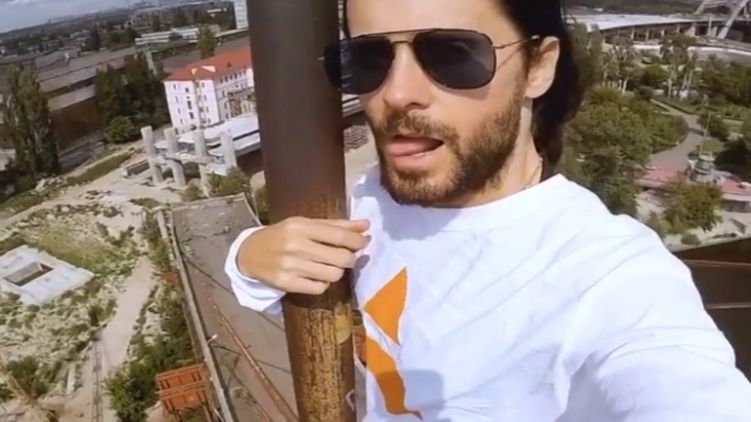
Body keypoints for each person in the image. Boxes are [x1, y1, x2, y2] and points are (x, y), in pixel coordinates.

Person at [225, 0, 751, 420]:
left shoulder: (607, 274)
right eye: (369, 59)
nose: (398, 93)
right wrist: (250, 257)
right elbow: (291, 288)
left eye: (452, 55)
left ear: (538, 66)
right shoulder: (370, 201)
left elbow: (680, 385)